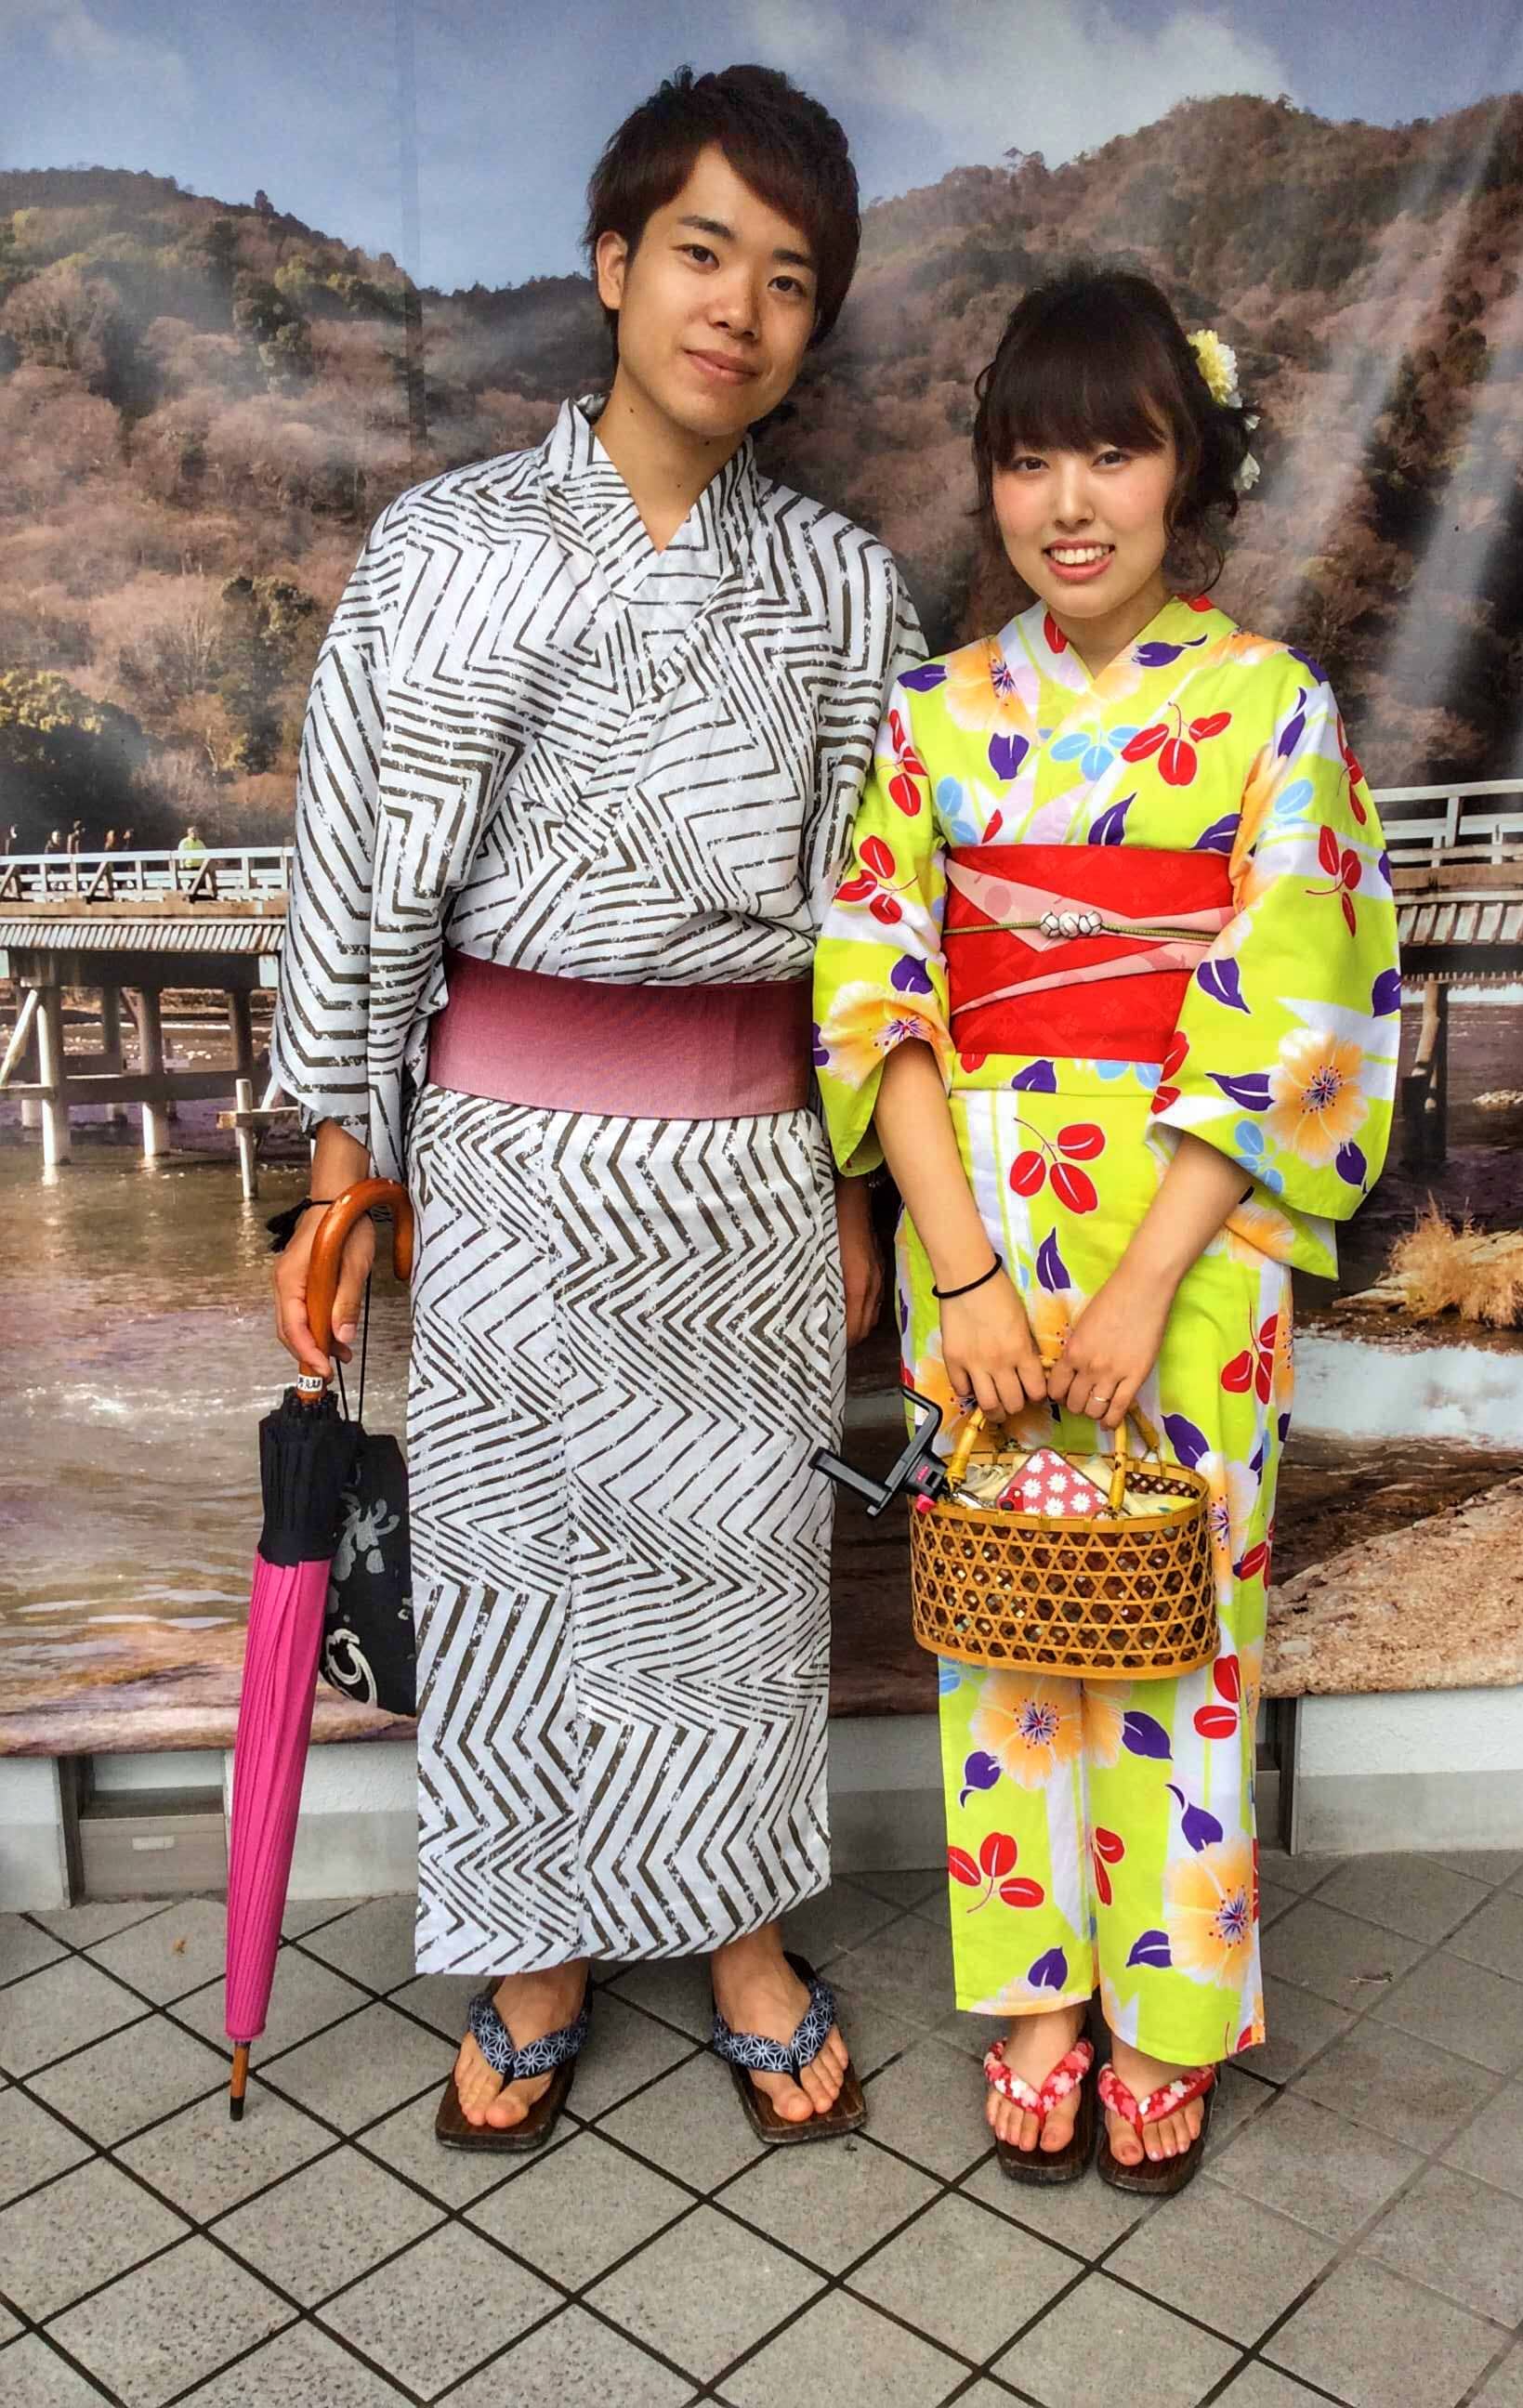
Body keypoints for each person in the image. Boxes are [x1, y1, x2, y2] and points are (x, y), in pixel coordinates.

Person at [269, 65, 921, 2149]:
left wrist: (855, 1186)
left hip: (745, 1163)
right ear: (616, 262)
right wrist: (344, 1168)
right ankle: (531, 1945)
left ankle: (742, 1934)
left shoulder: (843, 587)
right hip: (505, 1161)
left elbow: (879, 920)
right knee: (511, 1577)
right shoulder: (442, 550)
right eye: (704, 252)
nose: (740, 307)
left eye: (790, 279)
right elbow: (356, 865)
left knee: (736, 1576)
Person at [815, 270, 1399, 2191]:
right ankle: (1039, 1998)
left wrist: (1150, 1281)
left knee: (1181, 1621)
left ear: (1187, 472)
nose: (1068, 503)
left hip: (1192, 1238)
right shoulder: (932, 715)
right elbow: (875, 989)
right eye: (1027, 459)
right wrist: (959, 1268)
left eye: (1115, 453)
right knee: (1001, 1621)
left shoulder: (1267, 709)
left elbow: (1298, 1005)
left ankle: (1169, 2007)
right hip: (976, 1220)